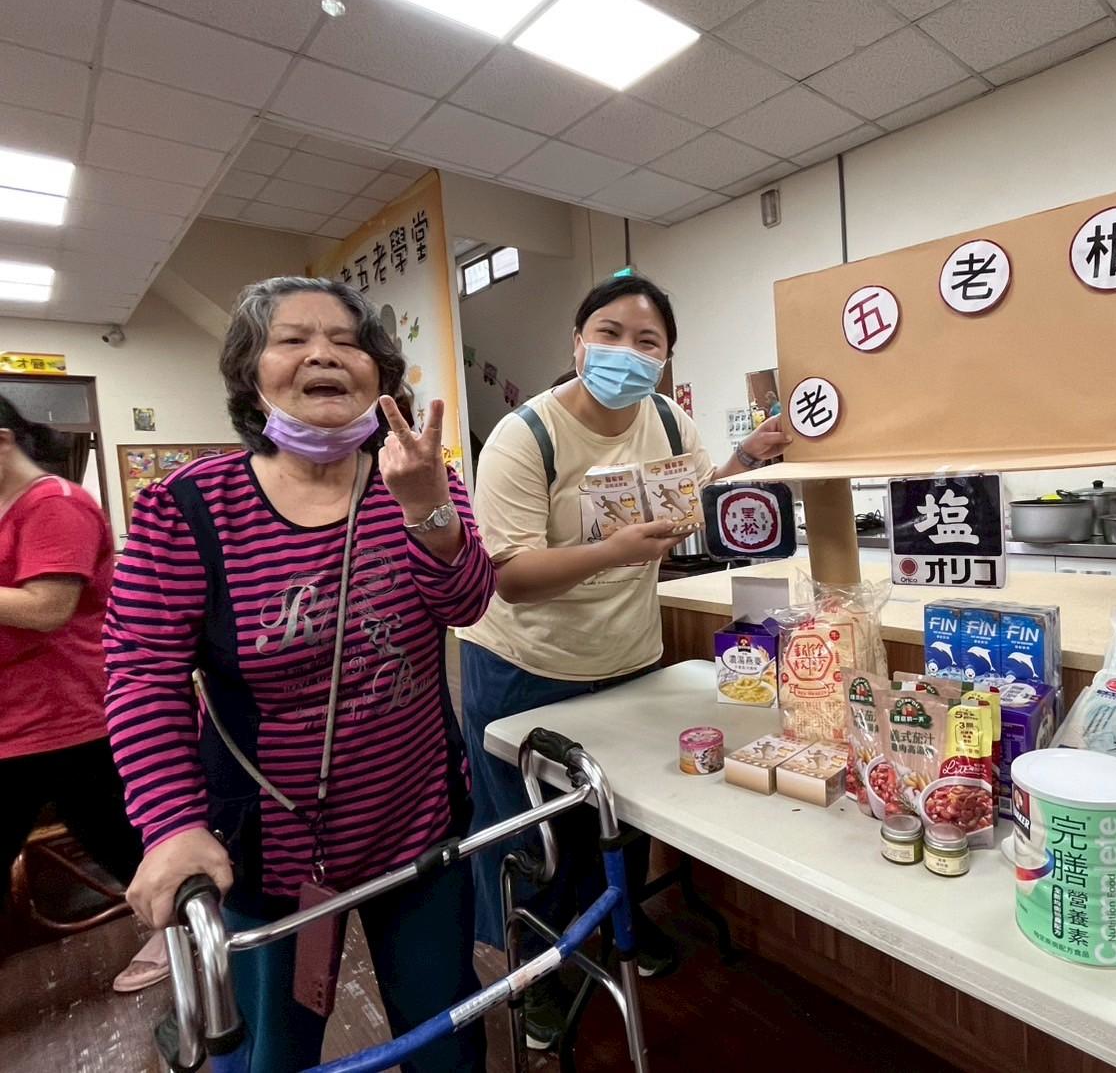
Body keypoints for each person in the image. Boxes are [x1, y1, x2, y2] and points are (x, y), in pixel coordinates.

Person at [104, 278, 495, 1073]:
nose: (323, 354)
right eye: (292, 339)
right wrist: (171, 824)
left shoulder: (421, 476)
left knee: (444, 1036)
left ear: (378, 371)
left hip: (418, 823)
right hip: (269, 851)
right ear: (252, 374)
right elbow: (142, 672)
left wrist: (428, 510)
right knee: (269, 1055)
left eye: (347, 341)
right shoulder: (189, 507)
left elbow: (468, 605)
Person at [459, 273, 789, 1049]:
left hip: (628, 652)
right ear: (577, 343)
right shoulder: (525, 436)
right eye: (608, 334)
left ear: (666, 358)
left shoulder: (668, 420)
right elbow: (507, 574)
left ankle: (616, 923)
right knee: (531, 834)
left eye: (647, 342)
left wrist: (744, 458)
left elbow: (692, 501)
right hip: (525, 663)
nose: (625, 353)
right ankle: (533, 970)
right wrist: (612, 550)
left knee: (621, 813)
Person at [0, 397, 170, 992]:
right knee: (121, 836)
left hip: (69, 716)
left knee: (126, 838)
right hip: (19, 721)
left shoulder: (54, 504)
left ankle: (182, 928)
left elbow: (47, 607)